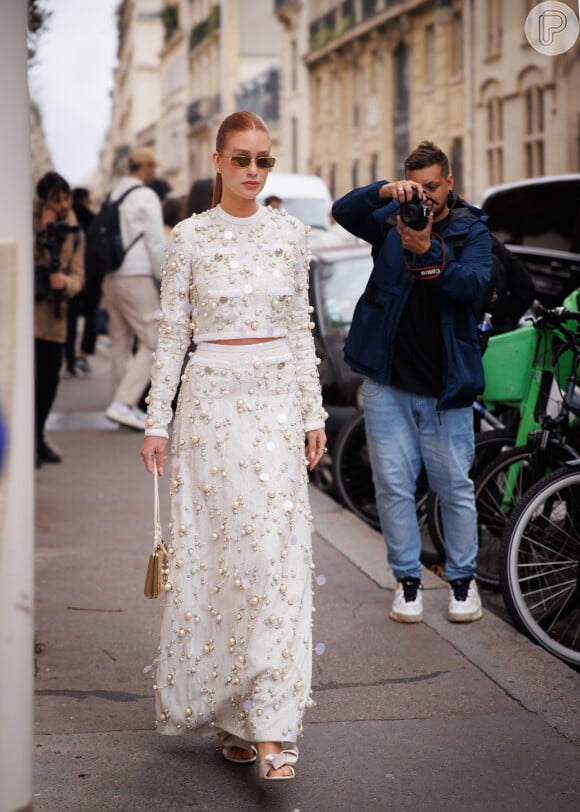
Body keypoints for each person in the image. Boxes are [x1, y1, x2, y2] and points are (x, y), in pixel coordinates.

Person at [140, 111, 327, 781]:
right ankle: (232, 717)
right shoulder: (188, 238)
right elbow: (170, 335)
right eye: (242, 159)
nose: (254, 171)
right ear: (217, 160)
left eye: (264, 160)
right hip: (209, 411)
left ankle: (274, 727)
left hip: (276, 406)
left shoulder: (290, 235)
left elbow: (302, 331)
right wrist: (156, 419)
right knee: (221, 562)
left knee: (276, 561)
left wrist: (314, 412)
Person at [332, 141, 491, 624]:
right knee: (393, 486)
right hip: (388, 384)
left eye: (432, 187)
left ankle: (463, 582)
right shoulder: (389, 220)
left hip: (445, 389)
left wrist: (429, 255)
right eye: (415, 186)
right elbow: (341, 210)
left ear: (450, 184)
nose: (425, 197)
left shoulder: (473, 229)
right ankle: (408, 581)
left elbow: (473, 289)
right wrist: (384, 191)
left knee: (453, 488)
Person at [103, 146, 165, 431]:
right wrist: (163, 275)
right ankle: (124, 404)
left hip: (112, 276)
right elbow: (154, 242)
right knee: (153, 341)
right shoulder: (145, 196)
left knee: (120, 342)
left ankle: (120, 409)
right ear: (146, 167)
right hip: (137, 275)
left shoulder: (114, 194)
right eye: (153, 167)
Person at [34, 171, 85, 466]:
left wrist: (64, 282)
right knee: (29, 381)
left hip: (54, 317)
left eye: (66, 198)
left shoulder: (75, 231)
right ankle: (30, 440)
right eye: (57, 201)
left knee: (49, 383)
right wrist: (42, 234)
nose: (64, 205)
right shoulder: (28, 224)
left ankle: (38, 435)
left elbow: (80, 278)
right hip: (28, 316)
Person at [64, 187, 96, 376]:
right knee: (90, 318)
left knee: (70, 322)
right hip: (88, 276)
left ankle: (69, 362)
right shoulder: (92, 218)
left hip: (70, 276)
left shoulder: (68, 219)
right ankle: (83, 355)